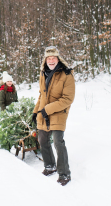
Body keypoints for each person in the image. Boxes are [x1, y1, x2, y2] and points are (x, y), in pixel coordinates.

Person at [32, 46, 75, 186]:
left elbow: (67, 99)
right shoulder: (43, 73)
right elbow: (41, 95)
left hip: (58, 112)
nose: (51, 60)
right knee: (42, 139)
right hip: (43, 113)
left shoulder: (66, 74)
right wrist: (35, 111)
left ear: (58, 59)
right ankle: (50, 166)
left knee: (58, 142)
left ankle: (64, 173)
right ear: (45, 60)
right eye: (48, 58)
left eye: (53, 58)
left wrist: (47, 109)